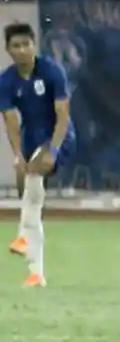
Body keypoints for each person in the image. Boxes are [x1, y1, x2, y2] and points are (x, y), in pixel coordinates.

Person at [0, 22, 75, 287]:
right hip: (30, 137)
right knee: (30, 200)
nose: (22, 50)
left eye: (26, 44)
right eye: (16, 46)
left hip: (58, 135)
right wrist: (17, 156)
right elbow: (10, 121)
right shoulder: (6, 81)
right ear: (8, 50)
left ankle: (21, 235)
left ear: (34, 45)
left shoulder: (52, 71)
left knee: (34, 174)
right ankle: (36, 273)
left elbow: (62, 114)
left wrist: (53, 149)